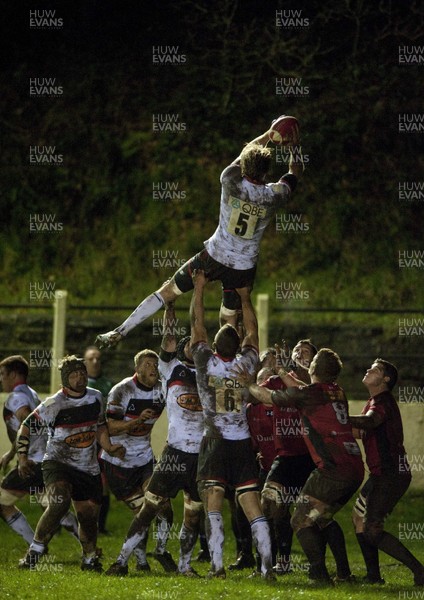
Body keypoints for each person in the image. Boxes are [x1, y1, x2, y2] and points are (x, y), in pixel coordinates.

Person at [95, 121, 300, 348]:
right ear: (266, 172)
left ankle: (120, 331)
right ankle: (227, 365)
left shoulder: (230, 179)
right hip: (243, 266)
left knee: (168, 291)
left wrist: (268, 136)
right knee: (229, 320)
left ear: (244, 167)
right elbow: (294, 171)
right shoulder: (274, 195)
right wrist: (294, 147)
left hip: (214, 255)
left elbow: (246, 151)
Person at [238, 348, 364, 584]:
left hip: (332, 468)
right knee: (322, 517)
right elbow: (301, 386)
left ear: (313, 368)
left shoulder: (309, 394)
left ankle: (318, 572)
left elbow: (268, 397)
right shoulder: (336, 390)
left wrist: (248, 383)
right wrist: (281, 370)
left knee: (300, 519)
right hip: (354, 466)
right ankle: (344, 574)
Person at [106, 302, 205, 577]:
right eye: (188, 344)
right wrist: (169, 305)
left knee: (192, 512)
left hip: (199, 455)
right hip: (170, 454)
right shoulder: (169, 371)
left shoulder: (207, 374)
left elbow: (205, 334)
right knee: (150, 507)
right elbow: (170, 337)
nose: (193, 345)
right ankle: (122, 561)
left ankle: (182, 564)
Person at [190, 270, 274, 580]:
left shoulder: (204, 361)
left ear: (213, 345)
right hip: (242, 443)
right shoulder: (247, 363)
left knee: (213, 505)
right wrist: (244, 297)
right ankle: (266, 568)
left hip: (215, 441)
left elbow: (196, 322)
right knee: (252, 506)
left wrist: (199, 287)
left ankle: (217, 567)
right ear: (238, 346)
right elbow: (253, 330)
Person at [16, 355, 125, 571]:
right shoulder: (54, 403)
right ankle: (35, 552)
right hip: (58, 462)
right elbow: (26, 427)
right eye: (74, 375)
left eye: (82, 373)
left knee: (88, 518)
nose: (79, 377)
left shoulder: (96, 397)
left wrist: (109, 447)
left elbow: (101, 426)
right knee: (60, 501)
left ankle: (89, 559)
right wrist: (21, 457)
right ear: (65, 380)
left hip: (88, 466)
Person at [350, 358, 424, 587]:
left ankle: (420, 571)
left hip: (390, 475)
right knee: (359, 520)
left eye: (375, 369)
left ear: (385, 379)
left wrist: (339, 419)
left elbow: (370, 422)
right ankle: (373, 577)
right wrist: (328, 427)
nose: (368, 369)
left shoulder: (383, 401)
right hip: (381, 474)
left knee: (371, 528)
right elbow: (360, 431)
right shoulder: (373, 401)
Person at [100, 348, 174, 573]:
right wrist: (135, 422)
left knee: (163, 507)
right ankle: (141, 562)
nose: (153, 368)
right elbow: (110, 426)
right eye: (148, 364)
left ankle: (160, 550)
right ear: (137, 368)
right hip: (118, 464)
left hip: (144, 460)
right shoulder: (122, 390)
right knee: (142, 514)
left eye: (155, 364)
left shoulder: (162, 390)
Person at [0, 355, 79, 547]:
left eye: (2, 374)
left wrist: (22, 457)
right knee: (51, 505)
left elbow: (27, 423)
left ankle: (35, 546)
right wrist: (11, 454)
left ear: (14, 374)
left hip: (32, 462)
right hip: (44, 459)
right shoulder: (33, 394)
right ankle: (87, 543)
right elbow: (26, 429)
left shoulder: (16, 398)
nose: (0, 379)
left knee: (2, 504)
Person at [257, 339, 317, 575]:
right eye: (296, 350)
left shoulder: (317, 383)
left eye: (306, 351)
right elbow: (257, 395)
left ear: (314, 359)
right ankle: (275, 561)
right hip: (286, 456)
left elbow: (303, 391)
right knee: (271, 504)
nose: (299, 353)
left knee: (314, 515)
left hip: (311, 457)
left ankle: (323, 567)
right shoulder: (276, 380)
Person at [84, 345, 114, 535]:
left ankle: (100, 526)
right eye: (91, 359)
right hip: (82, 441)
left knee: (103, 484)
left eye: (98, 358)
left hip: (101, 440)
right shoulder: (78, 384)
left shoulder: (108, 385)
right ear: (84, 362)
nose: (95, 362)